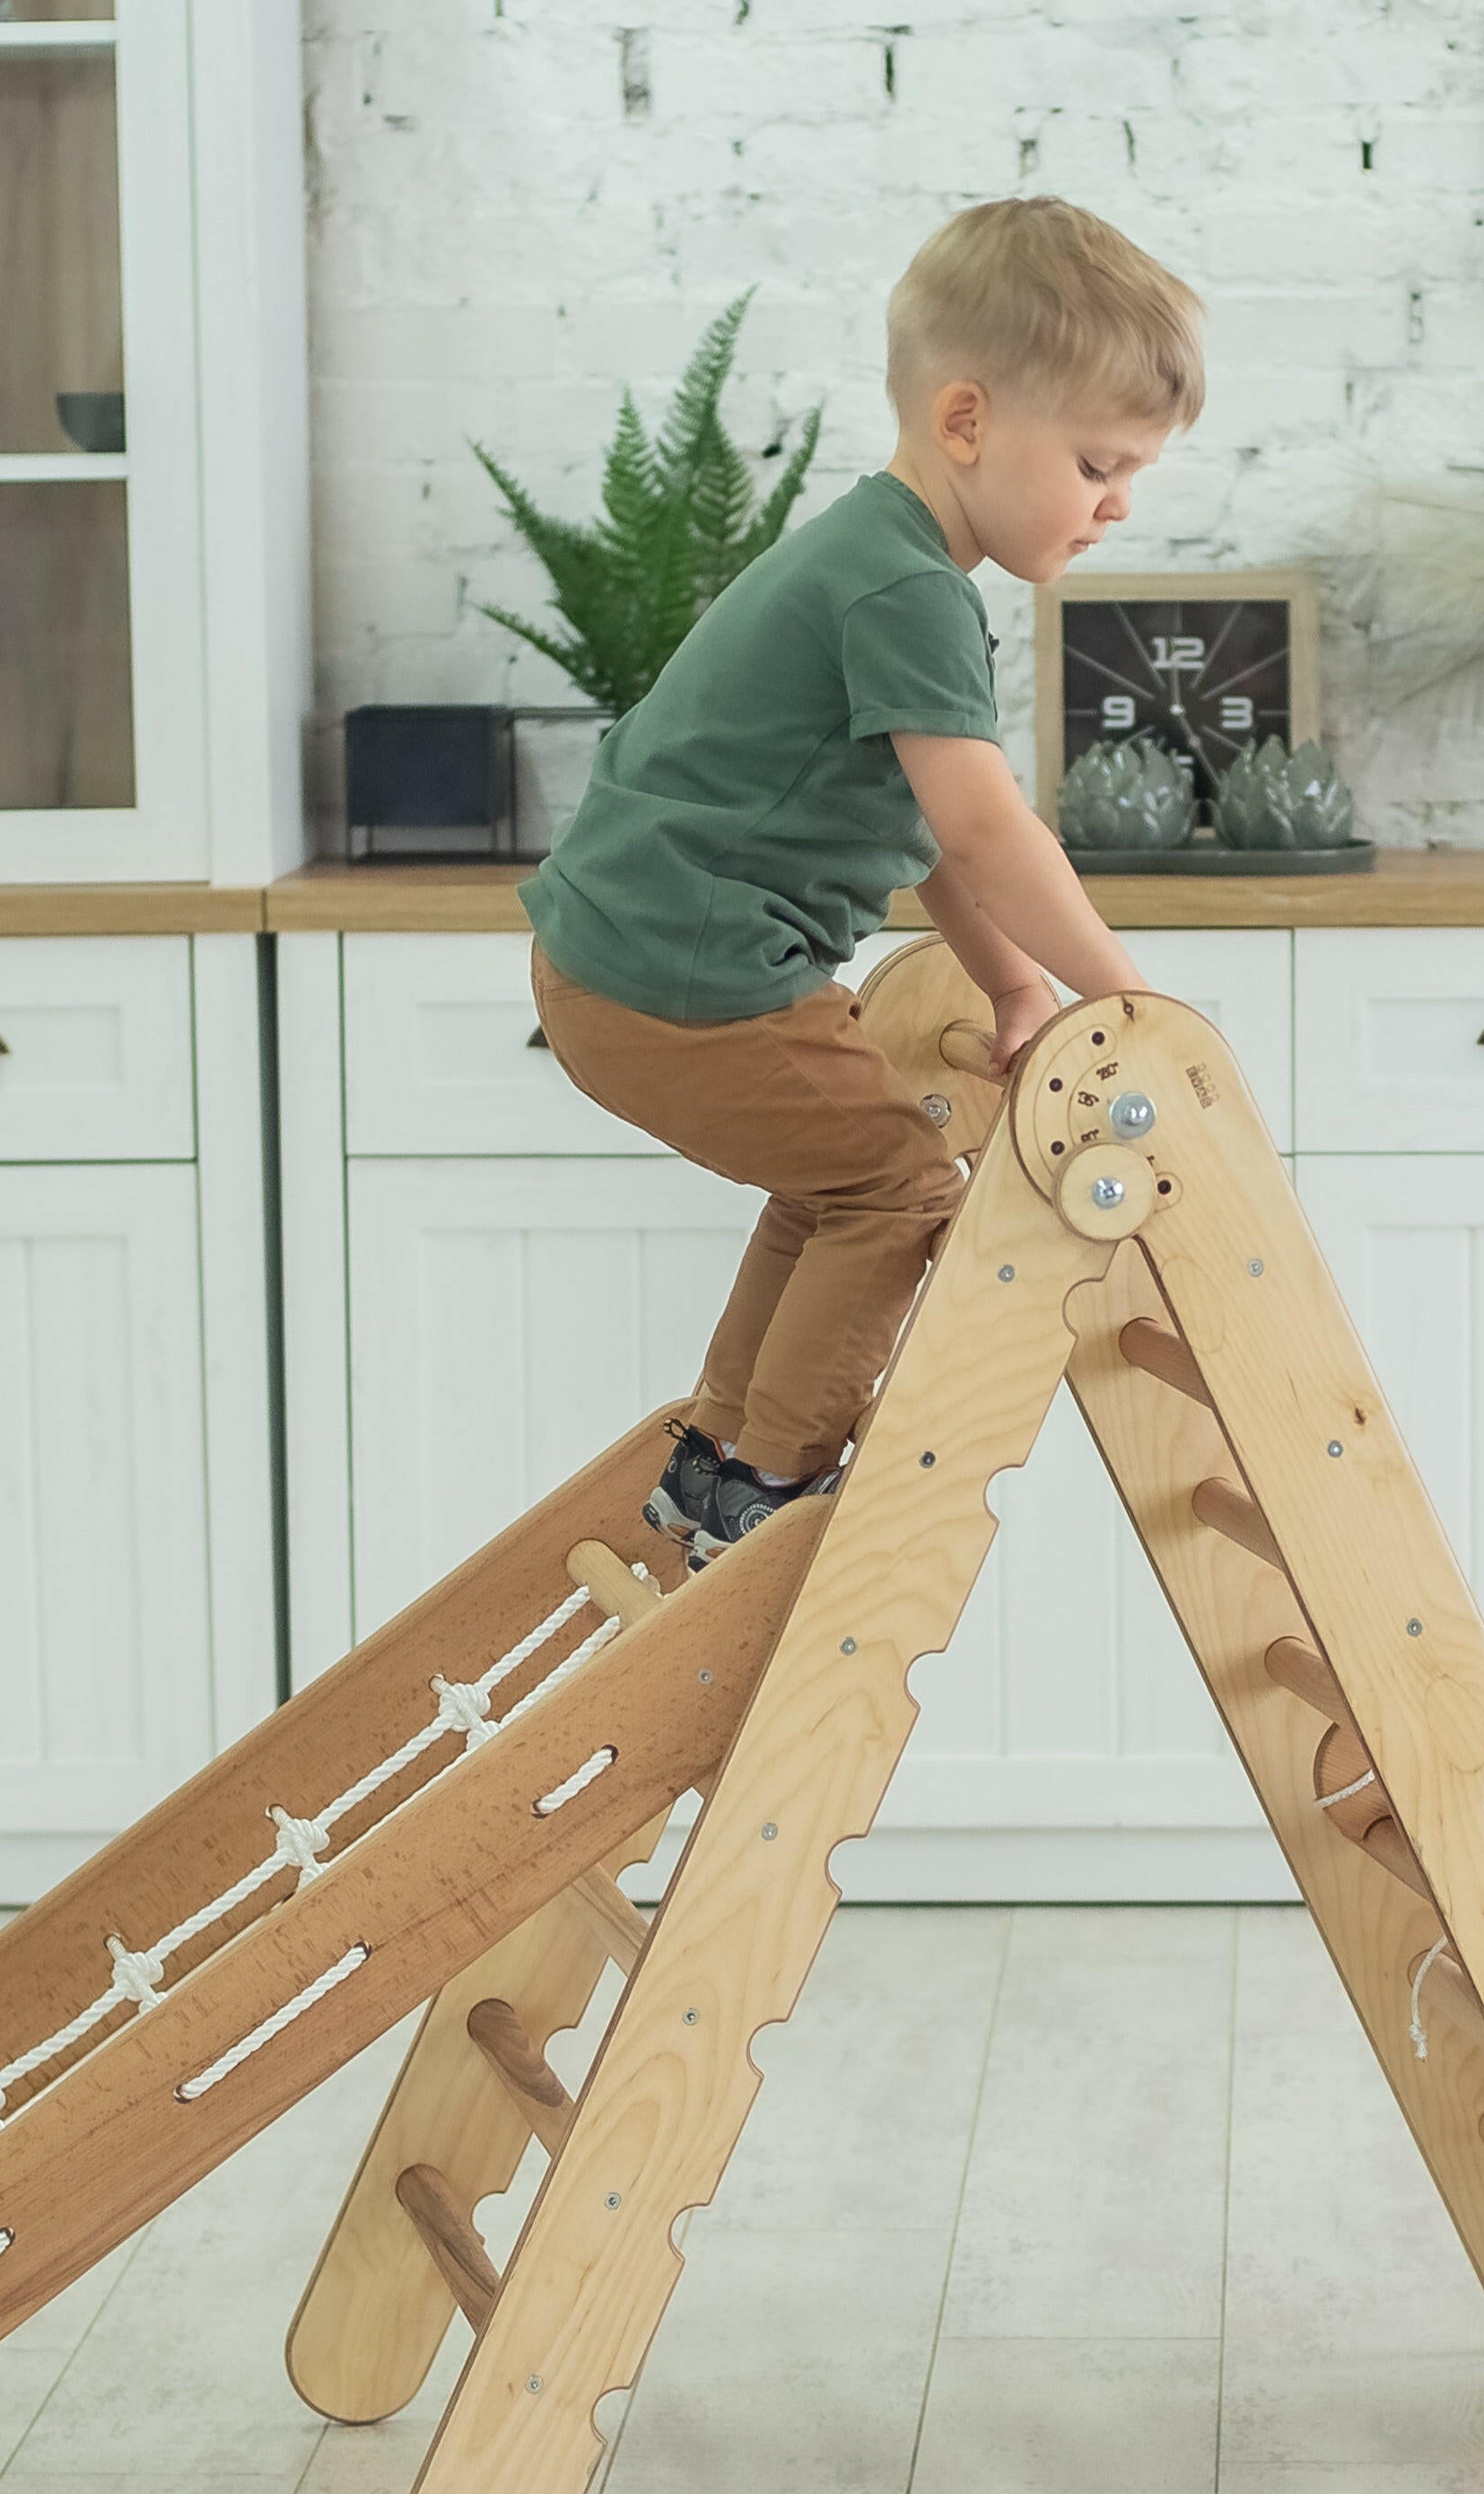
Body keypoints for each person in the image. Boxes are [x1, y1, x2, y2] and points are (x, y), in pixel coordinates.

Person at [522, 197, 1196, 1565]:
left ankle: (716, 1461)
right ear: (967, 422)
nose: (1119, 504)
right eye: (1096, 465)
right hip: (687, 973)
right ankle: (768, 1489)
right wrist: (1128, 1003)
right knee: (898, 1188)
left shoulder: (876, 558)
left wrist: (1016, 985)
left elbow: (931, 833)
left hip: (625, 962)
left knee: (838, 1182)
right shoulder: (907, 590)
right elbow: (989, 830)